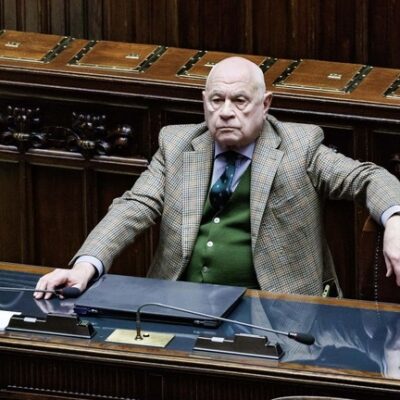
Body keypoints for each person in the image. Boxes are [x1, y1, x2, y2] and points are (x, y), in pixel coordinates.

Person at [34, 56, 400, 300]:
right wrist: (85, 266)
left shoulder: (299, 147)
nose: (225, 112)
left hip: (278, 309)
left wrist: (396, 221)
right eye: (216, 100)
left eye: (239, 101)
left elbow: (367, 177)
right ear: (204, 101)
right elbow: (134, 207)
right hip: (178, 301)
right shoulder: (178, 145)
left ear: (265, 104)